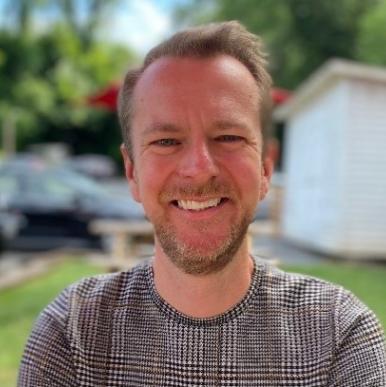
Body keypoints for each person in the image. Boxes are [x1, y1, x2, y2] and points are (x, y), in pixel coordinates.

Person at [19, 21, 385, 386]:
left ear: (265, 168)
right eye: (166, 141)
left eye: (228, 136)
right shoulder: (73, 331)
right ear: (132, 173)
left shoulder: (340, 334)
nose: (199, 169)